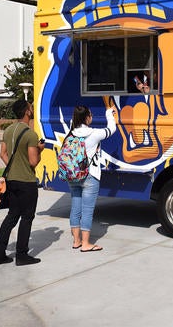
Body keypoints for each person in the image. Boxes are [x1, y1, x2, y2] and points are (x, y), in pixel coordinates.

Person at [0, 100, 45, 266]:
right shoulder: (30, 134)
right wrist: (40, 150)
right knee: (27, 217)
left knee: (12, 216)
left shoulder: (8, 130)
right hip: (26, 181)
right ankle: (22, 255)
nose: (32, 109)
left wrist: (13, 166)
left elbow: (3, 154)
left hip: (11, 181)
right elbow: (33, 162)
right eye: (31, 107)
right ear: (27, 112)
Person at [66, 105, 116, 252]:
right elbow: (111, 130)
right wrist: (109, 114)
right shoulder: (94, 133)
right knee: (87, 210)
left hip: (73, 175)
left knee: (75, 208)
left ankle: (76, 241)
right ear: (87, 117)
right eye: (91, 115)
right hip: (89, 176)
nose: (92, 117)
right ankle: (86, 244)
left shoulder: (71, 133)